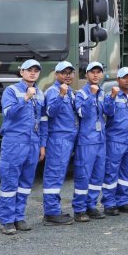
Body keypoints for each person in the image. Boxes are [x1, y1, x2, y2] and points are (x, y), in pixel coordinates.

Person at [0, 59, 45, 235]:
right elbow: (8, 113)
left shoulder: (40, 94)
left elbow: (42, 122)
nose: (33, 73)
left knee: (25, 183)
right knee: (10, 181)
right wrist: (25, 98)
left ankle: (19, 217)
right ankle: (7, 221)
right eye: (29, 70)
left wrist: (42, 145)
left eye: (36, 70)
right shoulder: (11, 91)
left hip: (33, 143)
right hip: (14, 142)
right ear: (21, 72)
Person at [40, 61, 77, 226]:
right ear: (56, 74)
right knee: (53, 175)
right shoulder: (54, 91)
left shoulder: (70, 92)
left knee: (59, 174)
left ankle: (54, 209)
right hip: (58, 139)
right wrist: (61, 95)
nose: (67, 75)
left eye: (70, 72)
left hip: (67, 139)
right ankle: (51, 213)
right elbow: (51, 113)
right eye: (64, 72)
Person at [102, 67, 128, 215]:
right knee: (111, 172)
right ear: (118, 80)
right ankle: (109, 203)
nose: (127, 80)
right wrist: (112, 97)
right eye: (124, 77)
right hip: (115, 140)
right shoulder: (111, 95)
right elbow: (107, 112)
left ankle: (122, 201)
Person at [73, 62, 107, 221]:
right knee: (83, 175)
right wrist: (91, 96)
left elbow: (108, 113)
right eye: (92, 72)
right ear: (86, 75)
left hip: (100, 140)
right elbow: (82, 113)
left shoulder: (102, 92)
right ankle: (79, 209)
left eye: (98, 72)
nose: (95, 75)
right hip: (87, 141)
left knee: (97, 176)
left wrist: (111, 98)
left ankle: (91, 205)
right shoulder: (81, 93)